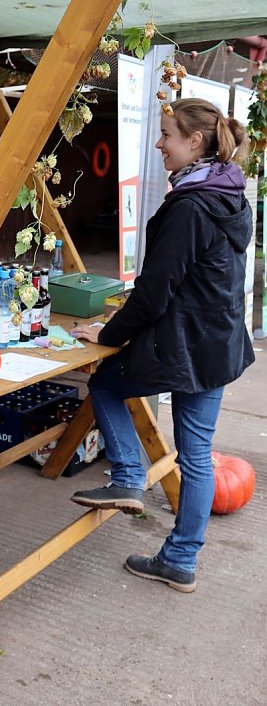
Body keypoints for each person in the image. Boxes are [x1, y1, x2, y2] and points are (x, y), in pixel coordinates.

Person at [71, 98, 255, 593]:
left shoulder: (191, 206)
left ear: (195, 142)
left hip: (186, 344)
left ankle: (129, 474)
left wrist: (107, 334)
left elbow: (155, 293)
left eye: (167, 135)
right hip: (216, 343)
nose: (159, 144)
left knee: (106, 382)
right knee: (196, 455)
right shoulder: (230, 194)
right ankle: (180, 560)